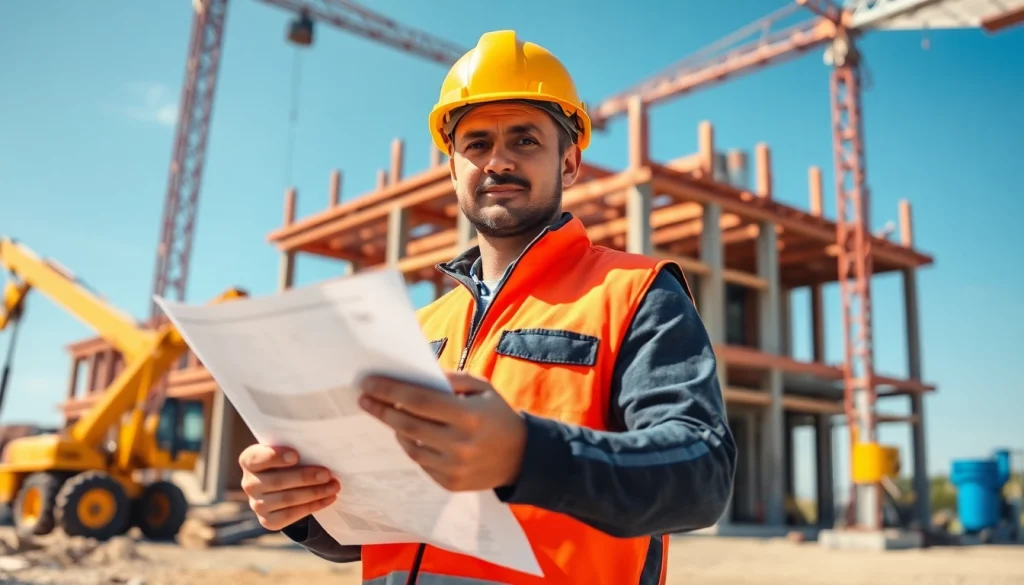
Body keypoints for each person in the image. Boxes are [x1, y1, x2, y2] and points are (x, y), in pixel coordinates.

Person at [238, 29, 737, 585]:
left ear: (569, 163)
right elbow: (383, 526)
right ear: (453, 168)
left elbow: (701, 474)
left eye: (525, 140)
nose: (497, 161)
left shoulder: (636, 293)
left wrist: (528, 456)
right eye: (476, 145)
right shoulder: (419, 328)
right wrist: (304, 506)